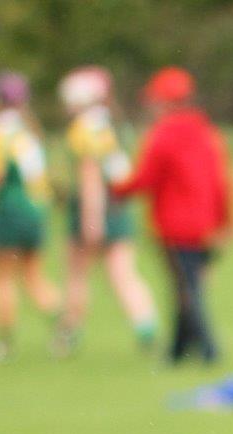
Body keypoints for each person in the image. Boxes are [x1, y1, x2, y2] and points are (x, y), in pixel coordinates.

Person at [112, 67, 233, 365]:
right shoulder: (207, 132)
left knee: (187, 288)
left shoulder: (162, 135)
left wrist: (116, 189)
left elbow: (145, 179)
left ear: (165, 102)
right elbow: (221, 183)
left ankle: (207, 348)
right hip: (204, 225)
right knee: (186, 285)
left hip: (175, 225)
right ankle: (178, 351)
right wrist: (223, 222)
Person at [57, 65, 158, 356]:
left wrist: (91, 220)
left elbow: (90, 178)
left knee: (77, 275)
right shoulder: (115, 126)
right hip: (118, 209)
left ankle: (68, 334)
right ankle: (145, 325)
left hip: (94, 212)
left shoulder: (83, 130)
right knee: (124, 274)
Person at [0, 71, 61, 361]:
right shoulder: (30, 132)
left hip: (8, 211)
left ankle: (3, 342)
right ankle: (65, 324)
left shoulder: (2, 133)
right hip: (35, 212)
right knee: (34, 277)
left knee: (3, 278)